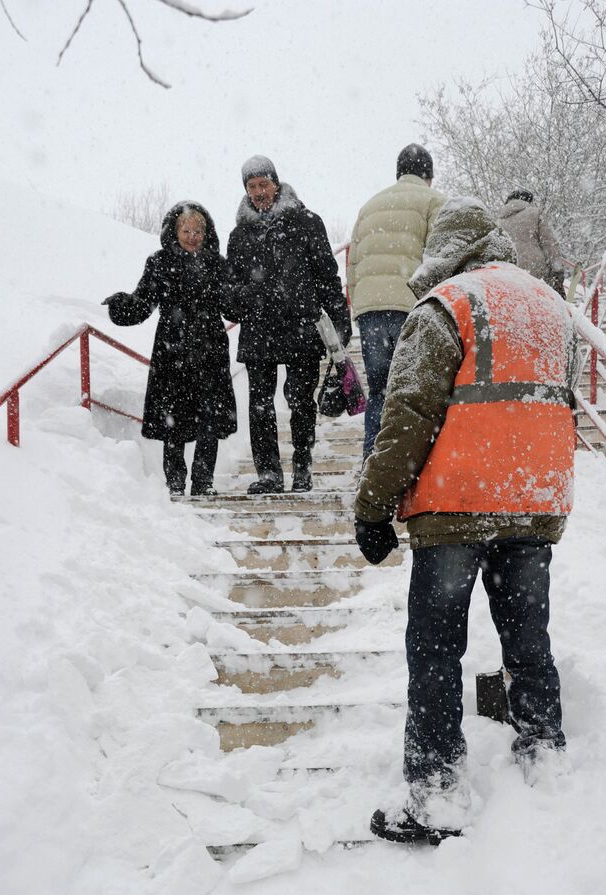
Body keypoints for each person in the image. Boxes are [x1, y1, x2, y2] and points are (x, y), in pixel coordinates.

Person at [354, 197, 578, 844]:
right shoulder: (550, 309)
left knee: (434, 651)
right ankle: (545, 760)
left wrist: (373, 507)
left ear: (443, 249)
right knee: (527, 641)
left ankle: (437, 792)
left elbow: (404, 419)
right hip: (533, 504)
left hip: (455, 506)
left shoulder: (445, 306)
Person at [226, 155, 352, 494]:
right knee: (260, 405)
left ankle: (302, 466)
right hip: (257, 329)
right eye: (252, 187)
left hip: (300, 326)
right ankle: (268, 473)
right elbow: (230, 292)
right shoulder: (239, 236)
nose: (258, 192)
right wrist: (244, 296)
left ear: (276, 184)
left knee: (300, 400)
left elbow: (328, 277)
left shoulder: (308, 223)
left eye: (263, 184)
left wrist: (340, 321)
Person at [103, 201, 236, 496]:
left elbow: (231, 307)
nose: (192, 236)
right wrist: (120, 307)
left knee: (209, 420)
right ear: (174, 231)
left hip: (210, 348)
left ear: (207, 232)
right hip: (172, 350)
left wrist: (248, 298)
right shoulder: (160, 262)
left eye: (198, 231)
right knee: (172, 420)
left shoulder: (218, 264)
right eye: (186, 230)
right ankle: (175, 483)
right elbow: (143, 303)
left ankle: (204, 483)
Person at [348, 144, 446, 460]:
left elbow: (353, 265)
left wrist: (359, 306)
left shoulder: (370, 206)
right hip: (412, 306)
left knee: (379, 391)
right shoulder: (435, 201)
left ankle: (371, 462)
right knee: (415, 390)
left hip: (371, 309)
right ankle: (407, 465)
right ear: (428, 175)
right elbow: (440, 258)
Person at [497, 189, 565, 297]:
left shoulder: (498, 222)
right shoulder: (535, 213)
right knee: (541, 304)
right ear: (528, 200)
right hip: (535, 272)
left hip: (509, 274)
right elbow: (549, 243)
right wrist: (557, 269)